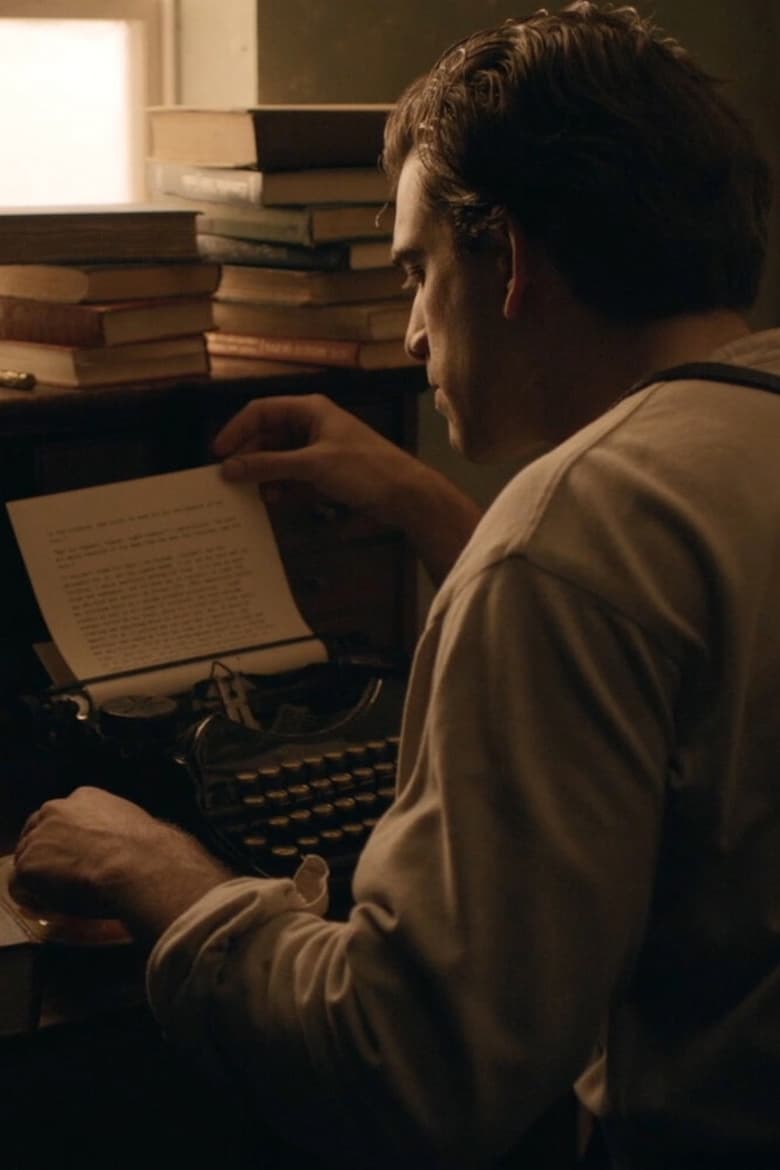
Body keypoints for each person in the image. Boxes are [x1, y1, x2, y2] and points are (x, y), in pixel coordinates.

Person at [10, 3, 780, 1167]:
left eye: (417, 270)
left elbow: (408, 1068)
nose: (414, 333)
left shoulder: (566, 541)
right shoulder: (694, 475)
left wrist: (151, 866)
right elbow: (666, 650)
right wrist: (424, 504)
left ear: (509, 258)